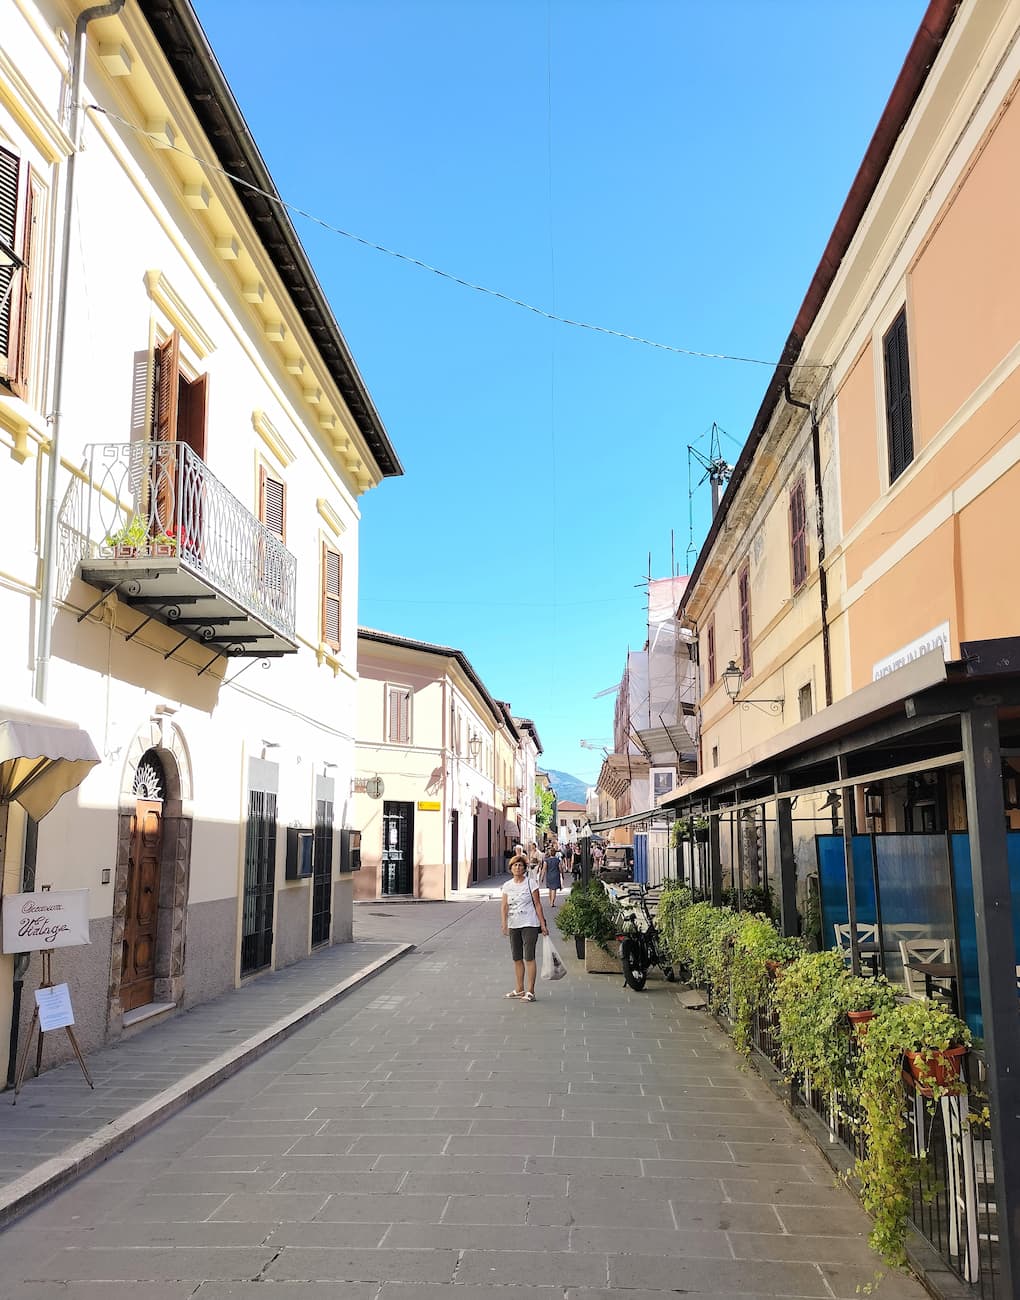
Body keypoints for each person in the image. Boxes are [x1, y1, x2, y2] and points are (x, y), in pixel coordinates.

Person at [500, 853, 548, 1002]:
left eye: (520, 865)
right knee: (517, 958)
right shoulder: (507, 886)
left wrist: (543, 924)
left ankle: (531, 991)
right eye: (515, 865)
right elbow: (504, 906)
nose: (518, 867)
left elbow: (538, 904)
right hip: (514, 924)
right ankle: (519, 989)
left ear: (524, 868)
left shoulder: (531, 883)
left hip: (530, 923)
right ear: (511, 868)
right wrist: (504, 923)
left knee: (529, 957)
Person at [542, 844, 562, 908]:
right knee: (554, 889)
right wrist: (562, 875)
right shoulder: (557, 860)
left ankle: (550, 901)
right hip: (556, 875)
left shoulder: (546, 860)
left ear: (550, 853)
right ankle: (552, 902)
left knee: (550, 889)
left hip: (549, 876)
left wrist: (542, 877)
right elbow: (560, 868)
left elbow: (544, 869)